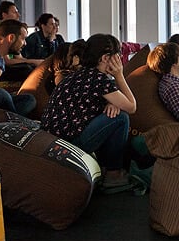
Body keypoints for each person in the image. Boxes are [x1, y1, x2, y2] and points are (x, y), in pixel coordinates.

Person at [41, 34, 136, 191]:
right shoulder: (98, 80)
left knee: (114, 113)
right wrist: (119, 75)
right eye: (118, 56)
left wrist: (111, 102)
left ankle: (106, 168)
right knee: (121, 118)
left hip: (52, 140)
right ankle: (113, 174)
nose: (120, 60)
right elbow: (132, 106)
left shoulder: (80, 74)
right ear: (106, 58)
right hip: (68, 145)